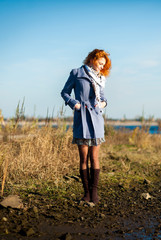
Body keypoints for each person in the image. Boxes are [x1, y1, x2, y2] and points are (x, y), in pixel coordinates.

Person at [61, 49, 111, 204]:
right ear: (91, 59)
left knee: (94, 157)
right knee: (83, 158)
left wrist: (102, 103)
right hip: (82, 118)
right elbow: (65, 93)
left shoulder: (100, 78)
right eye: (100, 63)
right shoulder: (76, 73)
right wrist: (74, 103)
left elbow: (103, 98)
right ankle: (86, 194)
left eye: (104, 65)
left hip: (96, 118)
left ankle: (94, 194)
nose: (101, 67)